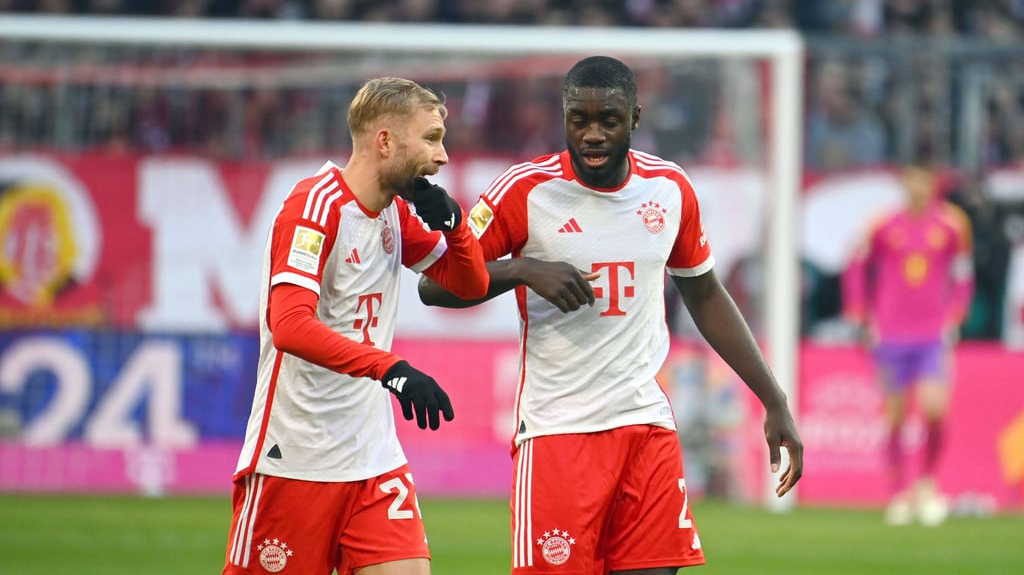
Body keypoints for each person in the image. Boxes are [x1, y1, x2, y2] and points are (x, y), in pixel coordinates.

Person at [419, 56, 803, 575]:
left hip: (645, 426)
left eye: (609, 120)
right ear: (564, 118)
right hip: (558, 432)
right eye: (580, 120)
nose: (593, 134)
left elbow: (706, 295)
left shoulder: (669, 190)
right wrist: (523, 269)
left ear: (635, 119)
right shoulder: (525, 190)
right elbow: (434, 285)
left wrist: (773, 400)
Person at [222, 77, 489, 575]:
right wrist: (391, 369)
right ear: (384, 140)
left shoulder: (394, 214)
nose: (444, 156)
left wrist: (456, 226)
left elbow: (466, 286)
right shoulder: (314, 206)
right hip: (296, 456)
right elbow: (290, 326)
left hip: (374, 458)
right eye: (431, 138)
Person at [843, 163, 974, 527]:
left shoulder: (952, 224)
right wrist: (858, 309)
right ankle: (899, 492)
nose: (917, 186)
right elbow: (856, 264)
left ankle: (928, 485)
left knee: (935, 410)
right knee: (896, 415)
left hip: (932, 334)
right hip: (890, 333)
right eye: (911, 179)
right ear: (904, 183)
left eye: (924, 179)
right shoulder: (883, 224)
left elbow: (963, 273)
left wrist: (956, 313)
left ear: (933, 183)